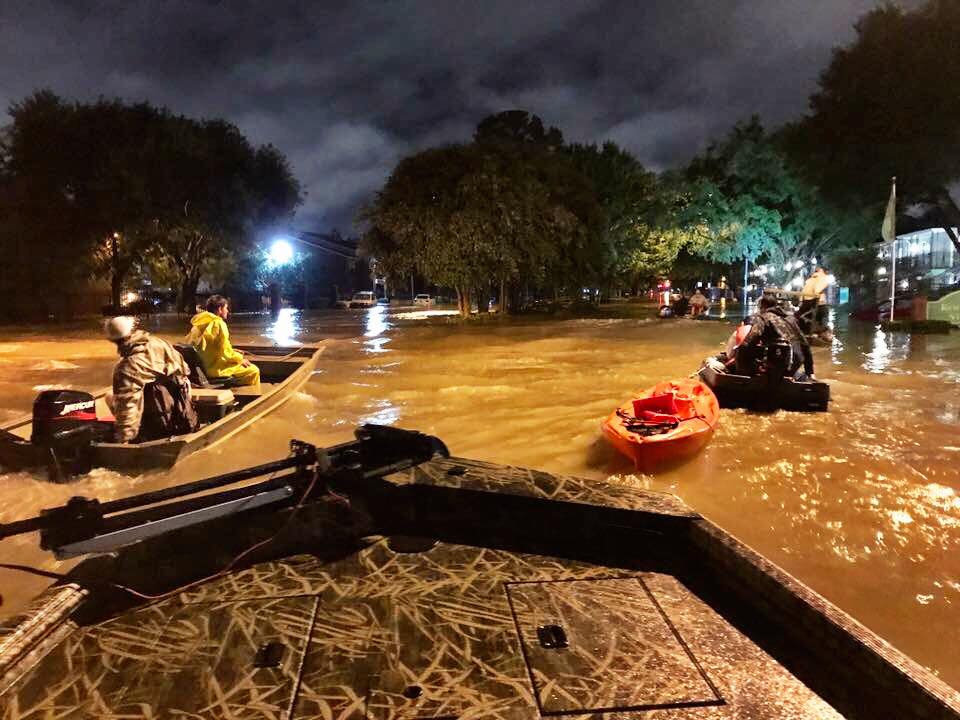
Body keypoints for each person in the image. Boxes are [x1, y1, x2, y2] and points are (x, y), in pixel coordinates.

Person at [104, 316, 197, 443]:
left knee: (109, 396)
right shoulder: (158, 342)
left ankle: (142, 434)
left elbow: (128, 405)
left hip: (160, 420)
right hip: (183, 410)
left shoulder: (128, 367)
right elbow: (185, 369)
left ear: (114, 340)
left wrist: (123, 439)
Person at [736, 294, 815, 380]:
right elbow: (805, 345)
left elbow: (750, 340)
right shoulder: (790, 319)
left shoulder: (763, 318)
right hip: (795, 364)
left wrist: (741, 365)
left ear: (762, 307)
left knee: (746, 350)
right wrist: (810, 372)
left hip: (779, 363)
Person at [186, 295, 260, 385]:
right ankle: (247, 395)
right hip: (215, 368)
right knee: (253, 370)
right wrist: (240, 359)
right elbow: (225, 352)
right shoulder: (218, 323)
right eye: (226, 308)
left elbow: (214, 347)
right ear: (220, 309)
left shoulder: (199, 322)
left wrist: (233, 351)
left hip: (203, 366)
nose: (227, 311)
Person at [798, 267, 831, 335]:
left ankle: (810, 329)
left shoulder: (810, 280)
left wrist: (801, 301)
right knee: (825, 313)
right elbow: (817, 290)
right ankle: (822, 332)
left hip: (806, 303)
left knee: (813, 315)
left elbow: (802, 293)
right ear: (823, 272)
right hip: (815, 303)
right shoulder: (823, 278)